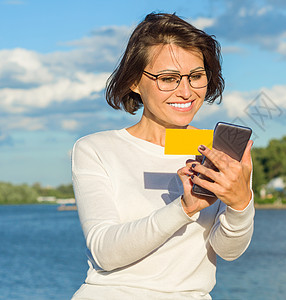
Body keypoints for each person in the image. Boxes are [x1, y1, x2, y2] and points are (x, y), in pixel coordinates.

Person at [71, 12, 255, 300]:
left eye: (196, 76)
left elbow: (228, 251)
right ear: (133, 81)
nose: (186, 92)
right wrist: (183, 207)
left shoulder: (219, 151)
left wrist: (241, 204)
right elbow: (105, 253)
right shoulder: (97, 149)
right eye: (168, 78)